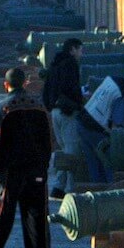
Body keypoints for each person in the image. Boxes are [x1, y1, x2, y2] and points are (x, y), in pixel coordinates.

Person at [0, 68, 56, 248]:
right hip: (36, 169)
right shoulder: (40, 107)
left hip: (9, 171)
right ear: (25, 83)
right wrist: (44, 165)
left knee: (4, 212)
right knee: (37, 214)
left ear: (6, 85)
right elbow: (49, 140)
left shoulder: (2, 108)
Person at [41, 38, 85, 197]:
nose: (81, 54)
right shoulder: (70, 64)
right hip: (67, 112)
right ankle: (70, 187)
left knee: (64, 148)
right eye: (80, 50)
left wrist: (50, 106)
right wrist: (79, 104)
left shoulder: (54, 64)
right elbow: (72, 88)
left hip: (55, 111)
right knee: (72, 149)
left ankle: (58, 187)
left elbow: (46, 89)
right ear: (72, 49)